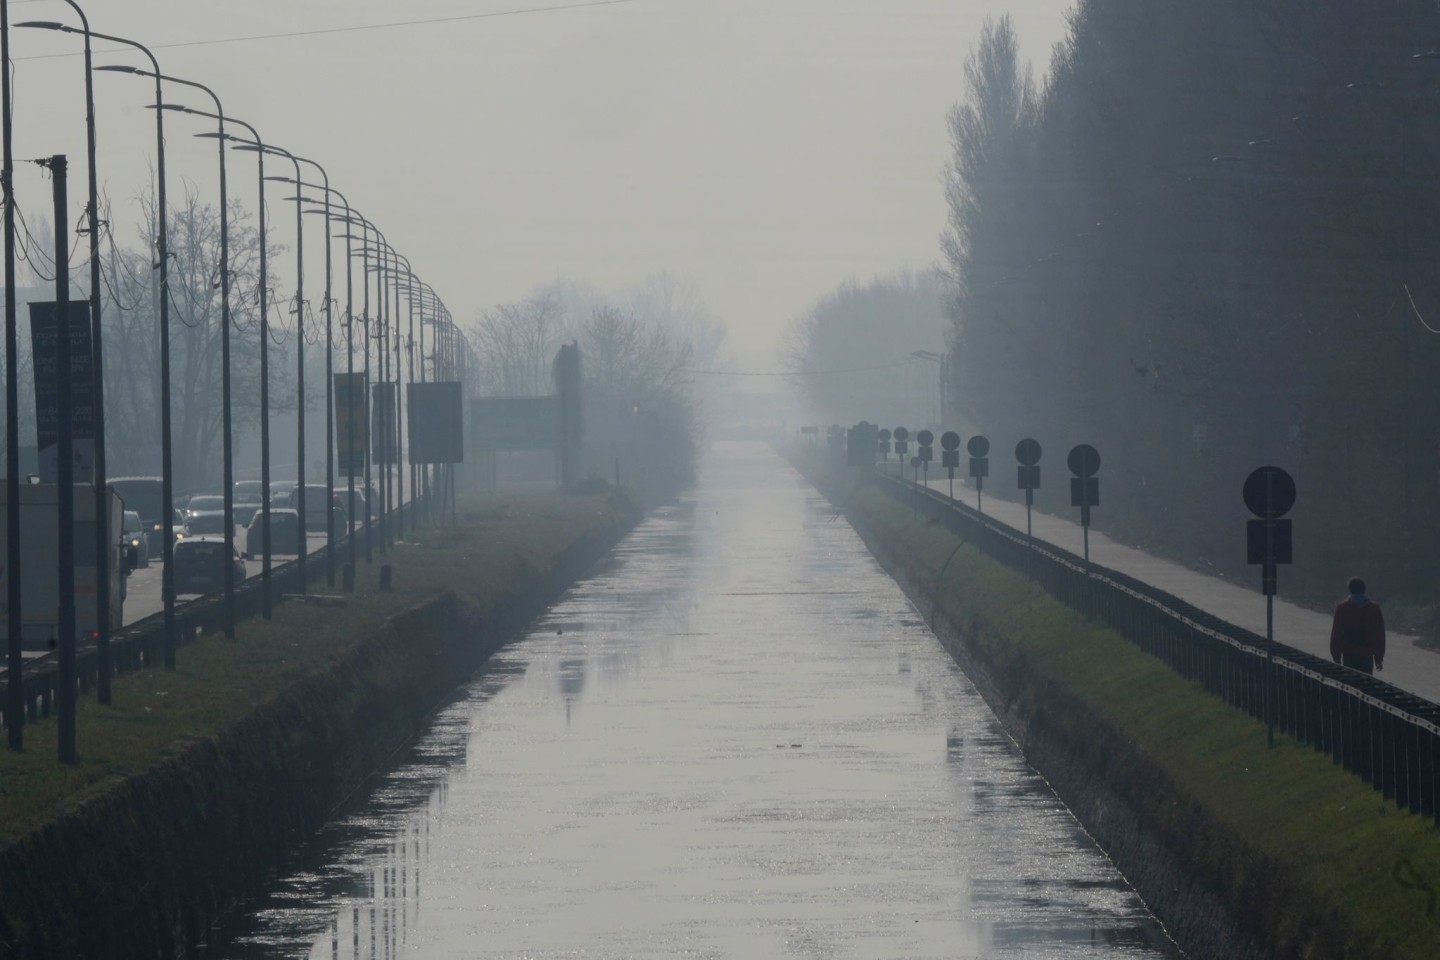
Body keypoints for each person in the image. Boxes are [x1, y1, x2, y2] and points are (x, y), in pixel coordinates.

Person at [1330, 577, 1385, 675]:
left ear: (1350, 589)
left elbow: (1336, 634)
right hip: (1367, 654)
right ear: (1364, 590)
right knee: (1366, 683)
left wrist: (1336, 657)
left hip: (1349, 653)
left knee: (1350, 682)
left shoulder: (1342, 607)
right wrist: (1378, 658)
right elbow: (1379, 635)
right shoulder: (1374, 609)